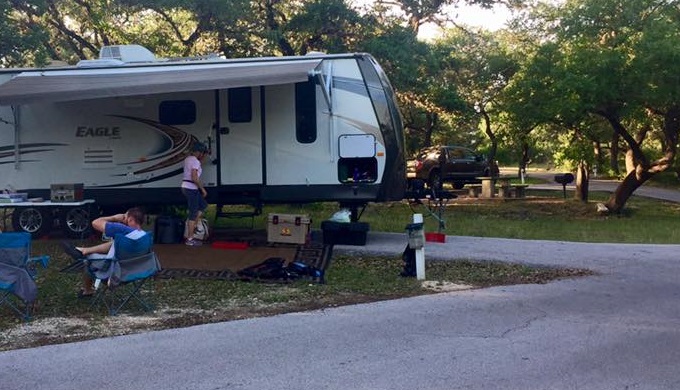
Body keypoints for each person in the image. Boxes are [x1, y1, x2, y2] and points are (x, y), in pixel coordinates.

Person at [61, 207, 146, 297]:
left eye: (124, 217)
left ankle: (87, 290)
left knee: (87, 261)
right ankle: (85, 250)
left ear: (130, 219)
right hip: (132, 272)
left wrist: (115, 218)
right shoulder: (145, 236)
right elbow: (113, 245)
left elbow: (95, 223)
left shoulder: (123, 230)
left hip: (112, 271)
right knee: (114, 243)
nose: (122, 220)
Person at [181, 141, 209, 246]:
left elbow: (199, 163)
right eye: (202, 153)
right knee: (193, 213)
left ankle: (195, 225)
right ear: (199, 152)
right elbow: (194, 177)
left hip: (186, 186)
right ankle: (190, 238)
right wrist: (202, 189)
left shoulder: (188, 159)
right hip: (191, 188)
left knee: (203, 205)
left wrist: (205, 155)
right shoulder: (195, 162)